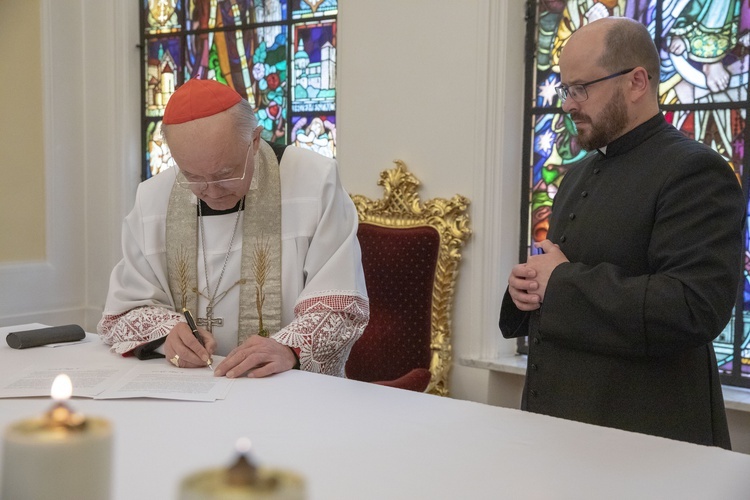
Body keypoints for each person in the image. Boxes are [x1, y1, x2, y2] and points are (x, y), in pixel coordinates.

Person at [499, 17, 744, 449]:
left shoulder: (695, 171)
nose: (569, 105)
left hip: (644, 433)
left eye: (581, 88)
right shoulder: (576, 177)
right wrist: (529, 288)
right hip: (561, 427)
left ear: (635, 82)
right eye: (565, 90)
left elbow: (693, 307)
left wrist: (560, 281)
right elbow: (563, 282)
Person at [98, 78, 369, 379]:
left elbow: (340, 306)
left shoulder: (316, 182)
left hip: (286, 388)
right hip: (190, 387)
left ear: (254, 141)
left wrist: (288, 349)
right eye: (192, 175)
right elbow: (124, 311)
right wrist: (168, 334)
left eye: (225, 174)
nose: (211, 191)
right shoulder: (152, 199)